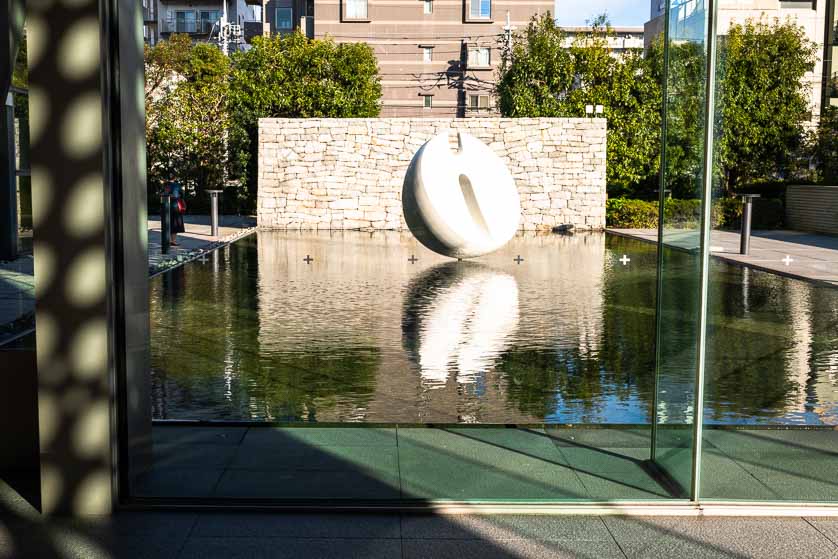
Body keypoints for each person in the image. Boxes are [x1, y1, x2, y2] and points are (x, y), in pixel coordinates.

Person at [165, 177, 186, 246]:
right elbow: (180, 195)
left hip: (165, 206)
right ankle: (173, 241)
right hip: (175, 206)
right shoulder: (177, 185)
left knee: (167, 224)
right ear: (174, 178)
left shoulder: (165, 185)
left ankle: (167, 240)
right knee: (175, 224)